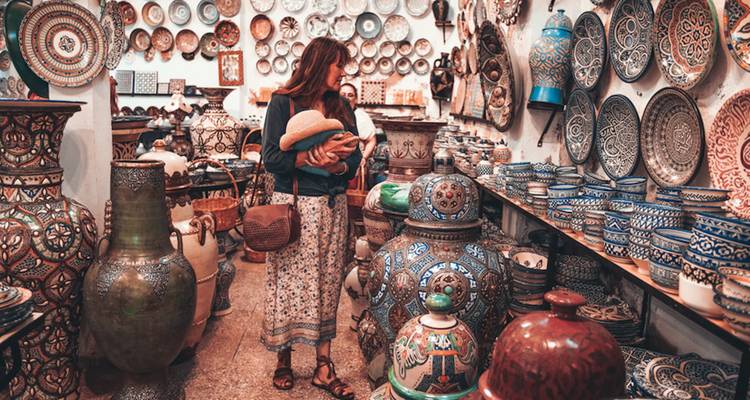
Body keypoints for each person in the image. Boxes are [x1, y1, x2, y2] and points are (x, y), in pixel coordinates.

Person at [260, 36, 361, 400]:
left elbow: (356, 157)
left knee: (328, 284)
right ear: (320, 64)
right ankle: (283, 360)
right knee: (287, 283)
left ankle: (323, 365)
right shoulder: (282, 102)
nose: (343, 72)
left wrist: (338, 165)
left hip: (332, 208)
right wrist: (307, 160)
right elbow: (271, 158)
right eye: (339, 65)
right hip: (295, 207)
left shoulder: (342, 105)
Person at [340, 83, 377, 168]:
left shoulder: (361, 116)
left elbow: (371, 140)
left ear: (355, 99)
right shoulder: (333, 113)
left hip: (355, 162)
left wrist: (363, 158)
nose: (346, 98)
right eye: (343, 95)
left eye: (350, 95)